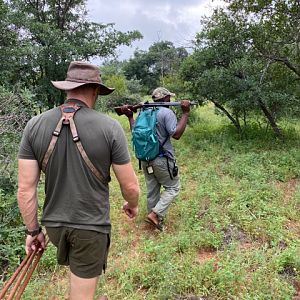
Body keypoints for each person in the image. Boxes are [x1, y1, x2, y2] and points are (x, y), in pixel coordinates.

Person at [17, 61, 140, 300]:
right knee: (82, 292)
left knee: (79, 280)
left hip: (54, 225)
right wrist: (132, 204)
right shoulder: (110, 127)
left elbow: (25, 189)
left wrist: (33, 230)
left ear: (67, 89)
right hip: (89, 226)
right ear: (95, 90)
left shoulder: (34, 125)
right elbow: (131, 186)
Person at [121, 87, 190, 231]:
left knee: (153, 190)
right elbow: (176, 134)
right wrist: (185, 113)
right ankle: (155, 214)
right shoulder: (166, 112)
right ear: (165, 99)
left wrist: (130, 117)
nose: (170, 100)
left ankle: (153, 222)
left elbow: (135, 132)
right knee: (173, 187)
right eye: (168, 98)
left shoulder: (143, 112)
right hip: (162, 159)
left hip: (145, 159)